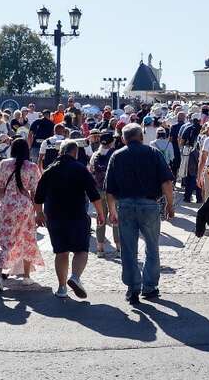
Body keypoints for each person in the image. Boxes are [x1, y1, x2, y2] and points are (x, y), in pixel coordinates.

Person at [104, 123, 174, 304]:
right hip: (150, 205)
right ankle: (149, 287)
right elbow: (167, 182)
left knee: (128, 249)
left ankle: (133, 288)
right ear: (141, 137)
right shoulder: (153, 153)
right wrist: (170, 204)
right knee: (152, 247)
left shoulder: (116, 156)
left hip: (125, 206)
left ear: (123, 139)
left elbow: (109, 189)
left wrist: (112, 211)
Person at [35, 140, 104, 299]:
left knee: (61, 252)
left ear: (60, 152)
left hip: (54, 216)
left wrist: (39, 214)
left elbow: (38, 196)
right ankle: (75, 277)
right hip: (77, 214)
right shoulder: (80, 168)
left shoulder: (49, 170)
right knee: (81, 250)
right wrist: (100, 213)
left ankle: (61, 288)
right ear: (75, 152)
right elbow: (94, 194)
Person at [0, 139, 44, 292]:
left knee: (5, 242)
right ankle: (26, 276)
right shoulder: (32, 167)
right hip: (25, 206)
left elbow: (0, 187)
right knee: (28, 238)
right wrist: (39, 212)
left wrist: (3, 203)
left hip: (8, 204)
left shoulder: (4, 164)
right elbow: (36, 192)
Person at [88, 131, 119, 257]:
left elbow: (91, 170)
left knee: (100, 218)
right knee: (115, 217)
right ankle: (118, 248)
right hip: (112, 191)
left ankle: (100, 249)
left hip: (98, 190)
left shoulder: (95, 154)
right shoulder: (115, 155)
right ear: (111, 142)